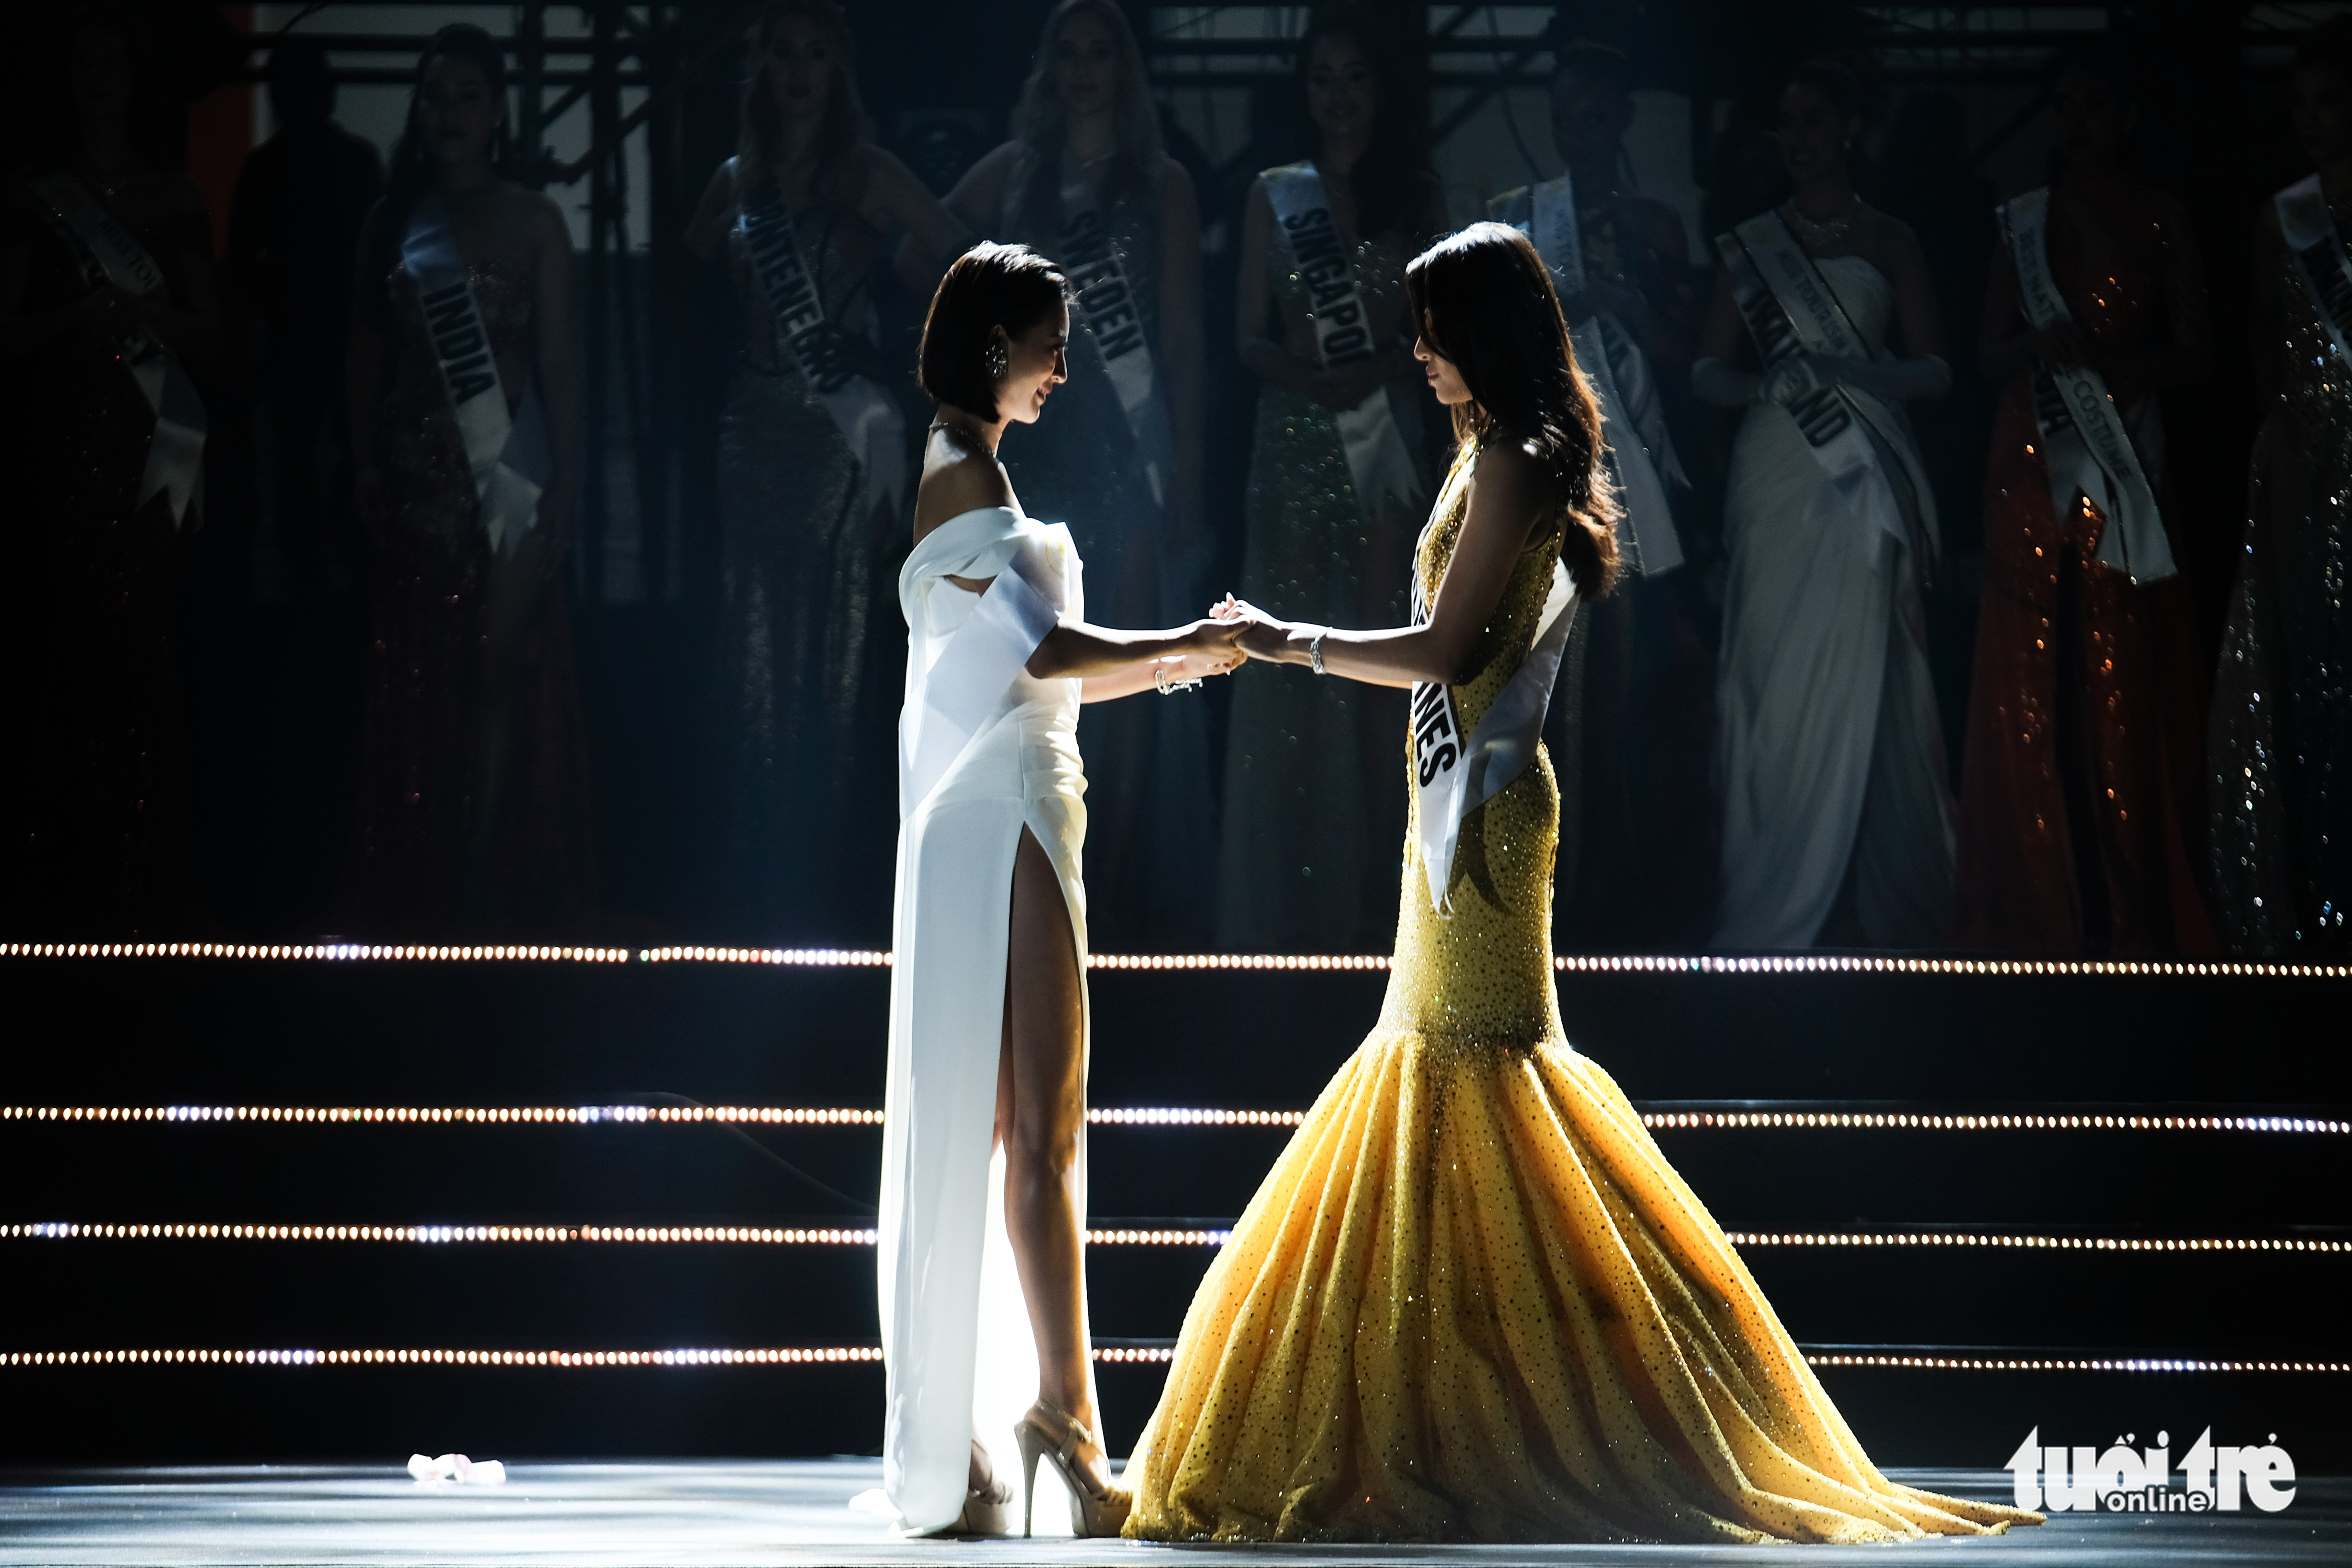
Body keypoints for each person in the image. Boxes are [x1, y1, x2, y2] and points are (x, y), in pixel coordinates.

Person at [1121, 223, 2036, 1545]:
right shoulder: (1503, 448)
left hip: (1484, 818)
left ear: (1485, 331)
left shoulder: (1511, 457)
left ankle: (1554, 1407)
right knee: (1453, 1083)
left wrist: (1288, 642)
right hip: (1460, 809)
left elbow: (1443, 647)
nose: (1419, 352)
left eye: (1435, 329)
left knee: (1480, 1080)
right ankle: (1450, 1406)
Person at [878, 242, 1244, 1539]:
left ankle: (1016, 1430)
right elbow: (1049, 652)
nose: (1064, 364)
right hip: (1009, 812)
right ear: (996, 348)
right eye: (1050, 340)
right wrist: (1192, 645)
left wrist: (1180, 660)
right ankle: (1066, 1428)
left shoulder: (966, 470)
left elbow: (1049, 665)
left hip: (1014, 801)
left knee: (1018, 1131)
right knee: (1045, 1129)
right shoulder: (965, 476)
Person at [927, 0, 1212, 946]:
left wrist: (1190, 463)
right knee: (1038, 666)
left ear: (1125, 70)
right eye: (1071, 54)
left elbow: (1179, 335)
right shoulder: (1014, 173)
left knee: (1111, 670)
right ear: (1050, 69)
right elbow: (928, 247)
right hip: (1038, 446)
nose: (1086, 70)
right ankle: (1030, 882)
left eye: (1104, 52)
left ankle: (1116, 885)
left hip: (1126, 454)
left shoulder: (1161, 183)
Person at [683, 0, 967, 941]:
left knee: (836, 654)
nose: (797, 72)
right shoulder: (734, 184)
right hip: (750, 431)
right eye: (780, 55)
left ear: (839, 71)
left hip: (845, 440)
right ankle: (754, 866)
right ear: (759, 70)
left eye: (815, 54)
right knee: (752, 647)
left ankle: (828, 879)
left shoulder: (870, 175)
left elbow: (962, 270)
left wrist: (900, 352)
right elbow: (686, 283)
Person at [1954, 45, 2214, 954]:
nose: (2075, 125)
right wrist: (2039, 346)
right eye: (2062, 109)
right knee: (2030, 665)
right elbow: (1985, 355)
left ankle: (2127, 902)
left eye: (2093, 108)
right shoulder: (2022, 222)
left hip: (2120, 458)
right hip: (2029, 458)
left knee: (2116, 673)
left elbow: (2196, 354)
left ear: (2126, 119)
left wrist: (2107, 365)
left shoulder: (2159, 218)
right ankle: (2035, 897)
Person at [1693, 60, 1954, 950]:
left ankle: (1876, 906)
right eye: (1786, 122)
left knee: (1866, 680)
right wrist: (1766, 387)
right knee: (1773, 680)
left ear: (1847, 126)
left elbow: (1938, 369)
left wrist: (1853, 373)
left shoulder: (1891, 241)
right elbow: (1706, 371)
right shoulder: (1751, 244)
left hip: (1862, 478)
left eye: (1813, 119)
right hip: (1777, 474)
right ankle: (1768, 902)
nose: (1798, 137)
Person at [341, 23, 592, 935]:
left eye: (465, 96)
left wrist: (565, 479)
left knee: (490, 674)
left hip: (509, 477)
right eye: (433, 96)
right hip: (413, 479)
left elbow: (561, 361)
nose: (448, 113)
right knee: (416, 678)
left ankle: (478, 870)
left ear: (496, 110)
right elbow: (364, 354)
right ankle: (419, 865)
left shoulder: (537, 219)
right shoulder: (390, 220)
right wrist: (362, 457)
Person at [1216, 4, 1441, 951]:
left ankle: (1373, 895)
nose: (1339, 97)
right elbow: (1246, 337)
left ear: (1380, 91)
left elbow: (1438, 335)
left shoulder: (1416, 194)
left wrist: (1382, 369)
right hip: (1295, 441)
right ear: (1303, 95)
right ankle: (1290, 894)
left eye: (1354, 78)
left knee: (1376, 650)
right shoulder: (1274, 195)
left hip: (1383, 440)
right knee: (1289, 658)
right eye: (1322, 80)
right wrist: (1311, 376)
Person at [1487, 37, 1715, 948]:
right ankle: (1554, 887)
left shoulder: (1656, 224)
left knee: (1640, 689)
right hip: (1553, 482)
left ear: (1621, 121)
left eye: (1596, 115)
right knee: (1551, 691)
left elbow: (1685, 350)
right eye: (1565, 117)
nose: (1580, 132)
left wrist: (1613, 298)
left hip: (1640, 485)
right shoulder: (1520, 224)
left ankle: (1636, 887)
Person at [0, 5, 218, 936]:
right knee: (60, 651)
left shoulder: (174, 196)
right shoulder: (34, 201)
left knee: (143, 655)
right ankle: (63, 877)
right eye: (81, 60)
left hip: (151, 446)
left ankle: (145, 878)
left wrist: (141, 316)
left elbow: (214, 333)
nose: (96, 76)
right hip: (55, 448)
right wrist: (74, 321)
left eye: (111, 60)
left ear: (135, 77)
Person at [2212, 17, 2352, 956]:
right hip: (2305, 459)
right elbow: (2262, 331)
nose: (2310, 121)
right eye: (2298, 105)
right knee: (2309, 662)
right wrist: (2284, 425)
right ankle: (2310, 883)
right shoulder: (2284, 214)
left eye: (2329, 101)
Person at [227, 35, 383, 597]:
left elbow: (242, 261)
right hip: (339, 329)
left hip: (300, 331)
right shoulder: (356, 161)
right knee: (350, 452)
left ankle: (312, 570)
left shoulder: (265, 168)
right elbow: (382, 252)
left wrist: (276, 301)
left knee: (300, 459)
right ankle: (349, 563)